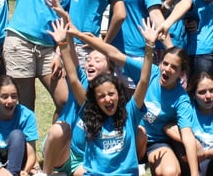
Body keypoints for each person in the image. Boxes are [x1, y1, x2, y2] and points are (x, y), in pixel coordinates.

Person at [72, 20, 202, 176]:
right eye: (165, 63)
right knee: (140, 131)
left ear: (181, 73)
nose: (167, 69)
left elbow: (187, 135)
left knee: (171, 172)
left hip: (155, 143)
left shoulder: (181, 99)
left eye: (174, 67)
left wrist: (195, 173)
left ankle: (139, 164)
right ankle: (133, 164)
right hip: (129, 134)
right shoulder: (153, 72)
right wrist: (79, 35)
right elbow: (114, 54)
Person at [54, 17, 157, 176]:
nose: (107, 99)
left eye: (111, 94)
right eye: (101, 96)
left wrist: (149, 45)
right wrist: (62, 44)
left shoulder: (130, 113)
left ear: (119, 95)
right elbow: (73, 78)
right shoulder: (89, 111)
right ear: (95, 100)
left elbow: (144, 80)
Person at [41, 19, 117, 175]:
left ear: (109, 70)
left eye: (97, 60)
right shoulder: (82, 80)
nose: (90, 63)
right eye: (88, 60)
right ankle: (45, 173)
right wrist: (66, 27)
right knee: (59, 129)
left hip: (84, 159)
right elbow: (73, 61)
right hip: (62, 149)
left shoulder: (110, 98)